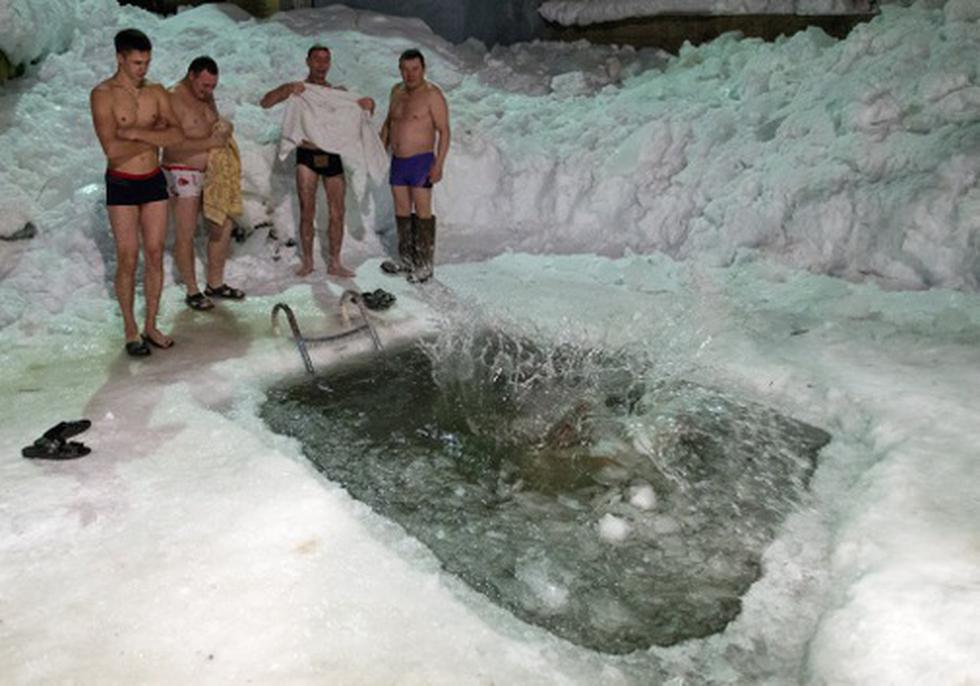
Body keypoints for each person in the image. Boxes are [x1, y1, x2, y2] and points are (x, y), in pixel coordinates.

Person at [90, 28, 183, 357]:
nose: (142, 69)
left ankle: (151, 324)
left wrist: (136, 132)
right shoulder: (103, 94)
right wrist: (152, 136)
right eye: (136, 63)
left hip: (153, 180)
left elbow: (176, 135)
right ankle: (131, 329)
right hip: (122, 182)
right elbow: (112, 148)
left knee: (156, 253)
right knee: (128, 257)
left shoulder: (156, 92)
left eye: (146, 62)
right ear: (119, 58)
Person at [260, 45, 375, 278]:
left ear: (330, 63)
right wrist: (287, 89)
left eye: (326, 60)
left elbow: (363, 112)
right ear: (308, 61)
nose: (321, 64)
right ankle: (308, 262)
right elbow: (265, 102)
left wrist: (368, 105)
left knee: (337, 211)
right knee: (307, 210)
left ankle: (335, 262)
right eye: (317, 59)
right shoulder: (299, 90)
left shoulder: (338, 93)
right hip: (307, 155)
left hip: (331, 155)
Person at [163, 56, 244, 311]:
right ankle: (191, 289)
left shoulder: (206, 95)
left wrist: (224, 129)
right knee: (185, 231)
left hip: (210, 173)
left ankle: (215, 283)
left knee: (223, 223)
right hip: (181, 170)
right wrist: (209, 144)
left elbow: (213, 125)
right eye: (204, 86)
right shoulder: (173, 98)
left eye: (212, 87)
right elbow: (170, 143)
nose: (208, 92)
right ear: (191, 76)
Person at [380, 48, 450, 283]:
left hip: (421, 162)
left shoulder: (433, 95)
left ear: (423, 69)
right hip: (398, 162)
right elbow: (390, 122)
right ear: (400, 69)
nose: (410, 74)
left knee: (422, 212)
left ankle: (424, 264)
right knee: (401, 210)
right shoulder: (396, 92)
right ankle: (406, 260)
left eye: (415, 69)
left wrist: (439, 164)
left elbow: (444, 131)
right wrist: (380, 146)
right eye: (405, 69)